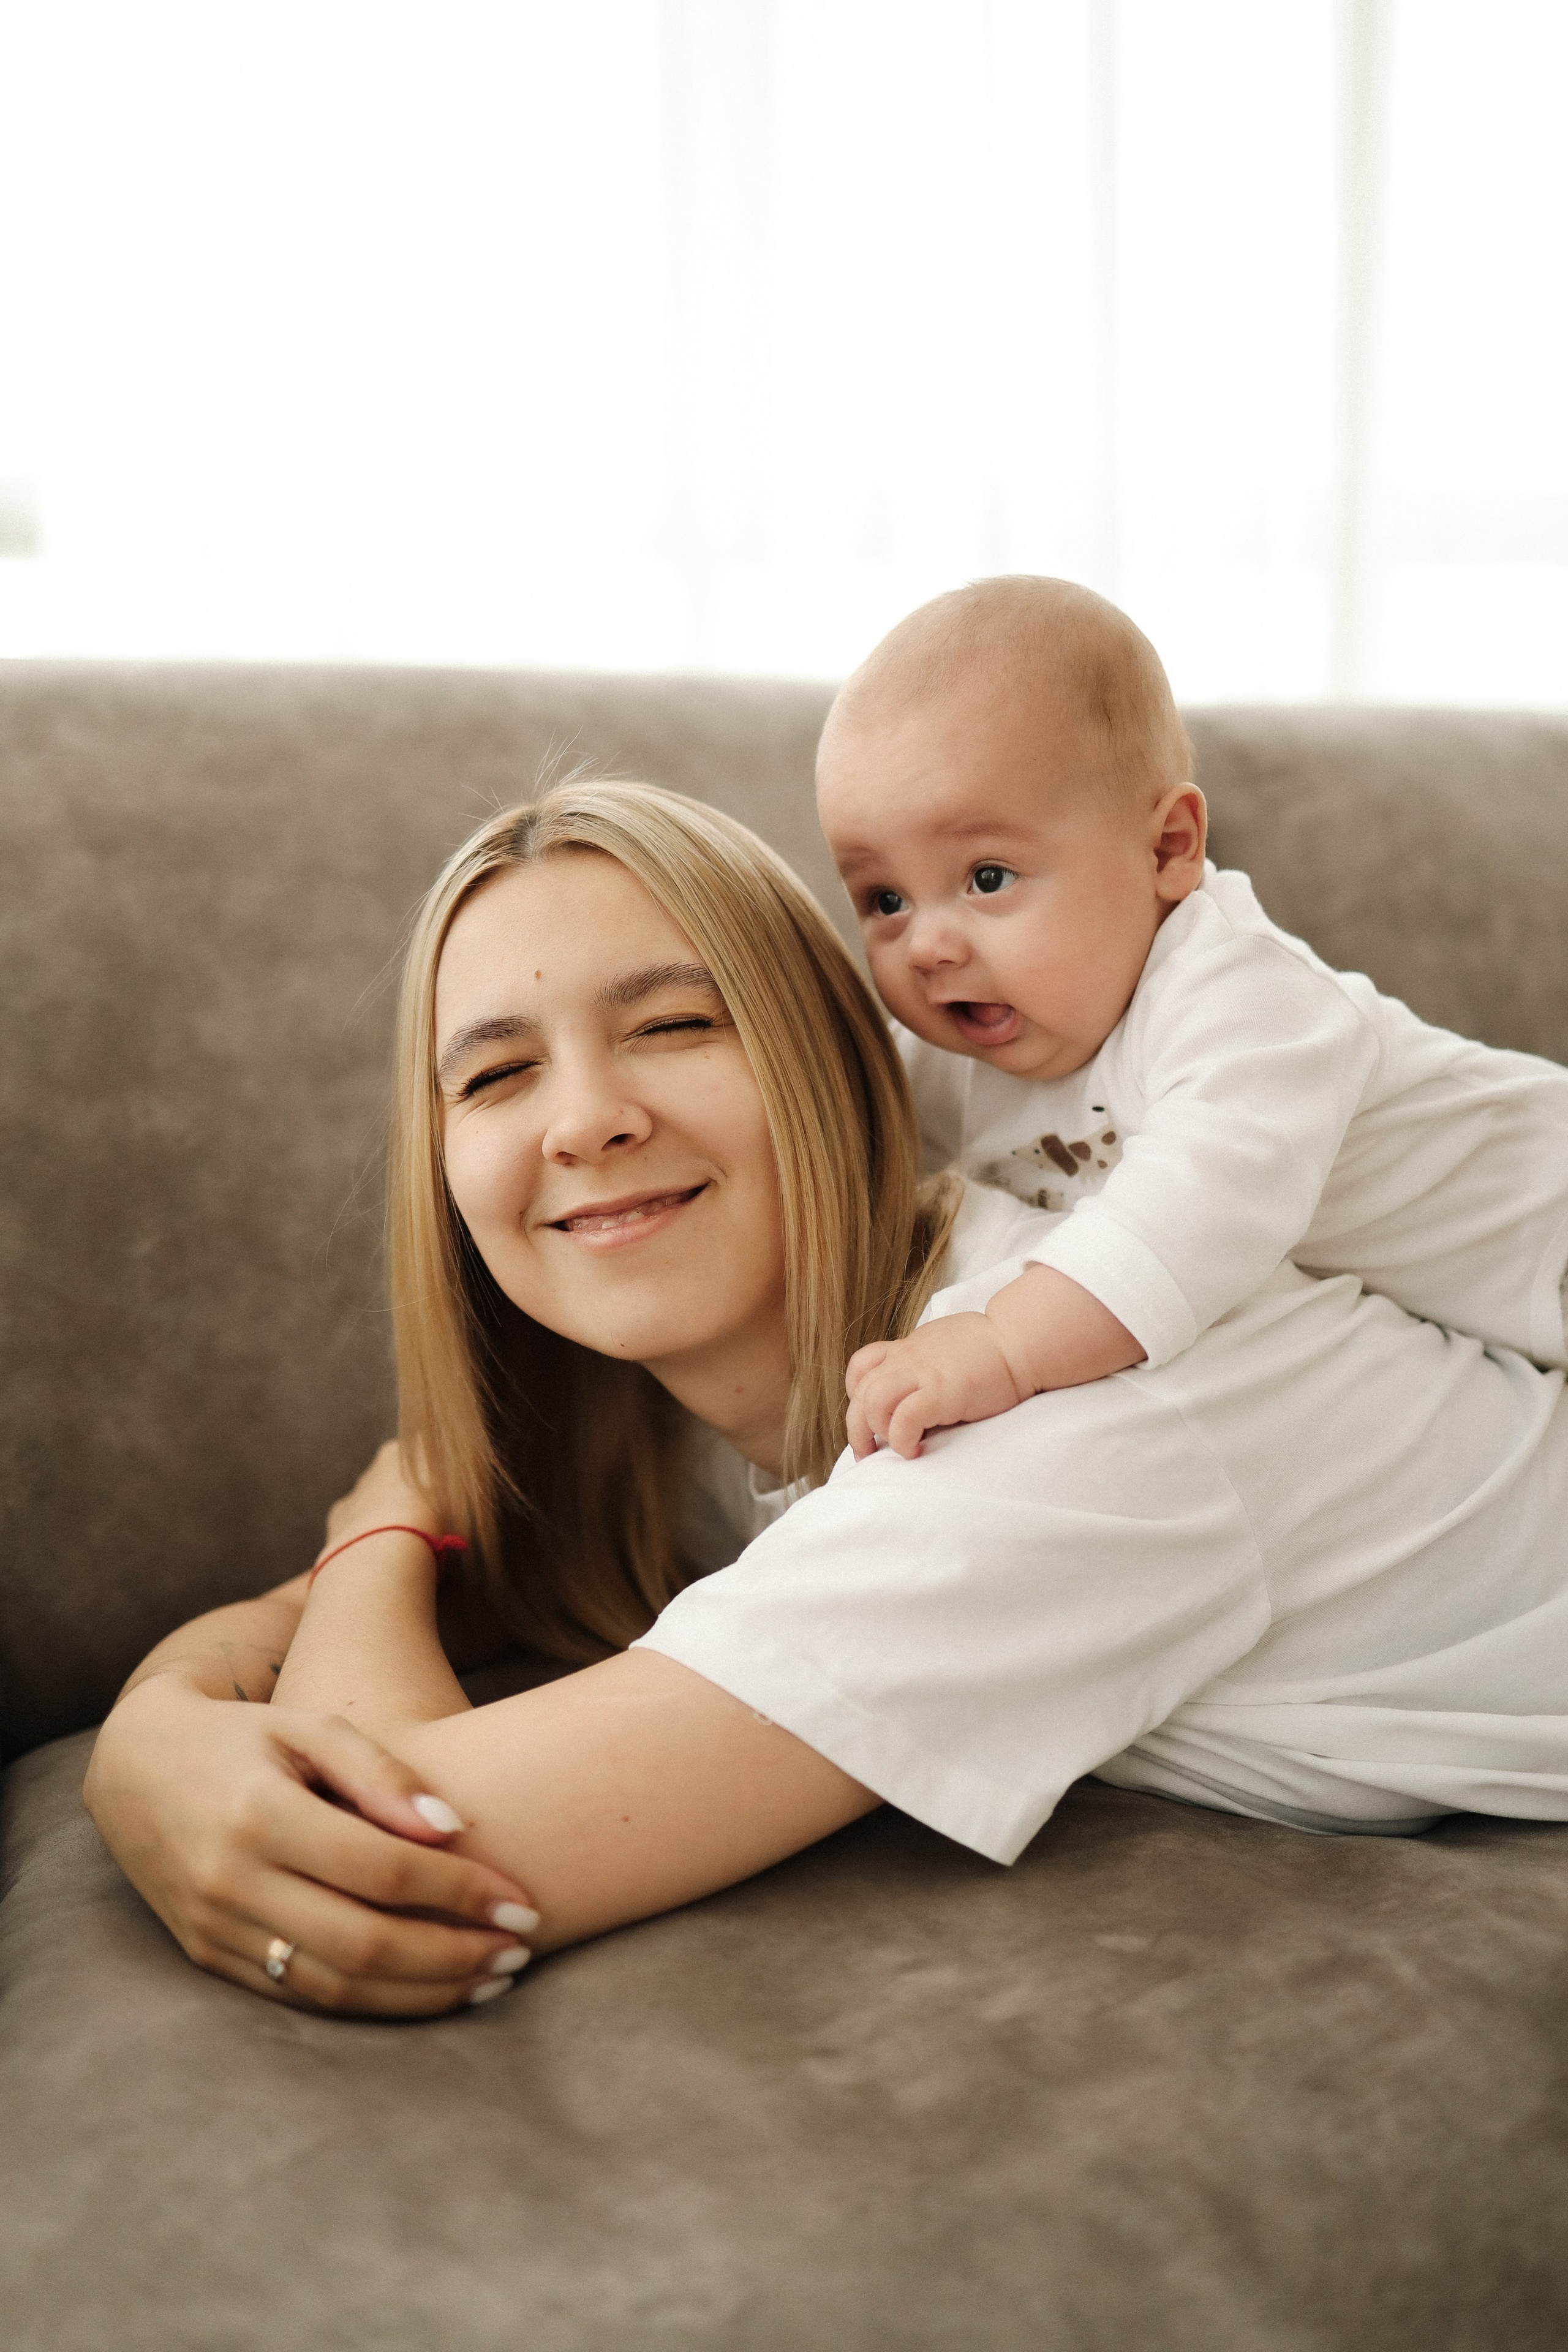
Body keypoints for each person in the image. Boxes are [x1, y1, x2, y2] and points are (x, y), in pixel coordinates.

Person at [84, 780, 1568, 2018]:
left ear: (838, 1064)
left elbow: (382, 1851)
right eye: (492, 1076)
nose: (587, 1118)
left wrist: (368, 1544)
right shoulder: (684, 1398)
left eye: (672, 1025)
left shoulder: (1029, 1419)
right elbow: (310, 1645)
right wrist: (157, 1725)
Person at [816, 576, 1568, 1461]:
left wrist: (1005, 1342)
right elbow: (847, 1168)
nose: (929, 947)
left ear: (1168, 848)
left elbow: (1192, 1213)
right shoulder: (953, 1057)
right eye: (886, 898)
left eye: (987, 877)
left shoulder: (1242, 998)